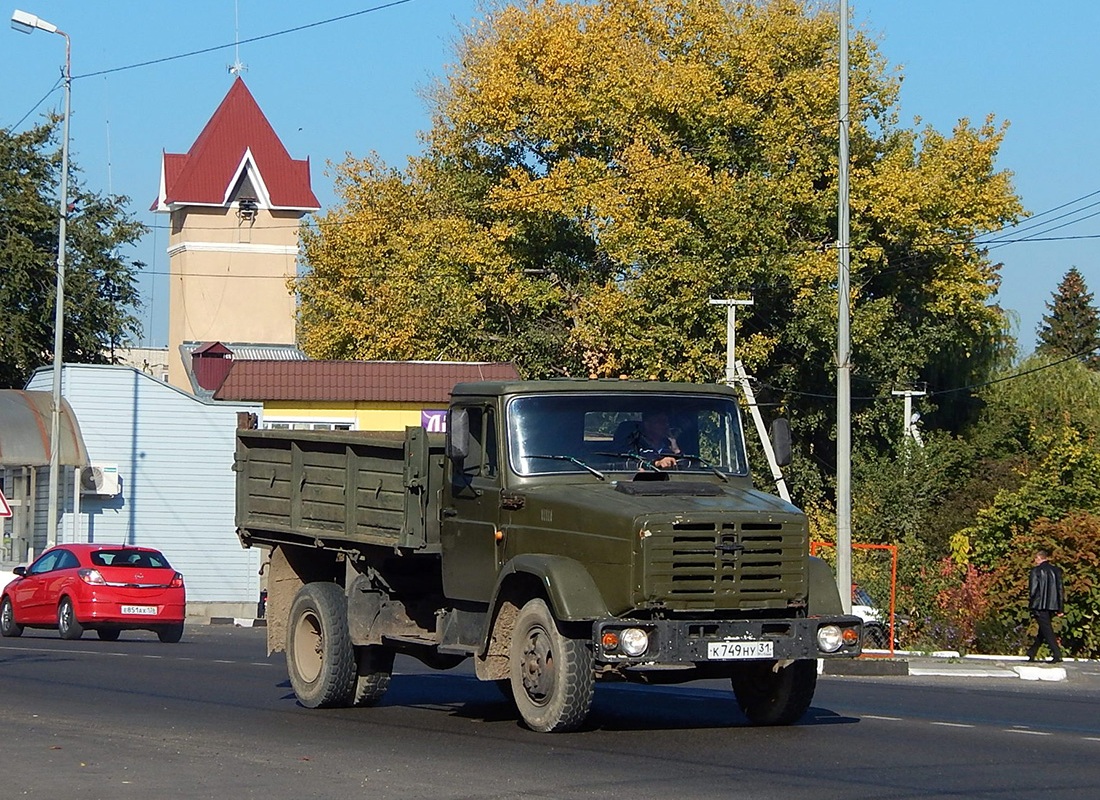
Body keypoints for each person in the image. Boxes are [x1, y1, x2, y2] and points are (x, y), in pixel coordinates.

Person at [1025, 548, 1065, 663]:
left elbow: (1033, 590)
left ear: (1039, 558)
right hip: (1052, 605)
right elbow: (1060, 590)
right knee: (1044, 629)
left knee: (1047, 630)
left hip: (1039, 605)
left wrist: (1031, 602)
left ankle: (1057, 653)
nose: (1035, 560)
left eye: (1036, 558)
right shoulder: (1056, 571)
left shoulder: (1035, 571)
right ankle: (1032, 651)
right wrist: (1060, 607)